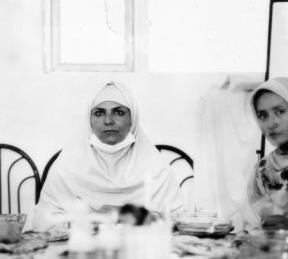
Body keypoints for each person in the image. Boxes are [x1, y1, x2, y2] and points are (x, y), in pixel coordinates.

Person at [29, 81, 184, 231]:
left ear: (133, 118)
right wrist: (91, 219)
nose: (108, 121)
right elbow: (42, 222)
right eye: (99, 113)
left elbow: (179, 222)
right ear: (89, 120)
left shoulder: (156, 168)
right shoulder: (67, 166)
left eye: (119, 112)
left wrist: (132, 217)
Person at [246, 77, 288, 225]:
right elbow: (252, 225)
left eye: (280, 111)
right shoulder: (262, 169)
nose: (271, 123)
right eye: (262, 115)